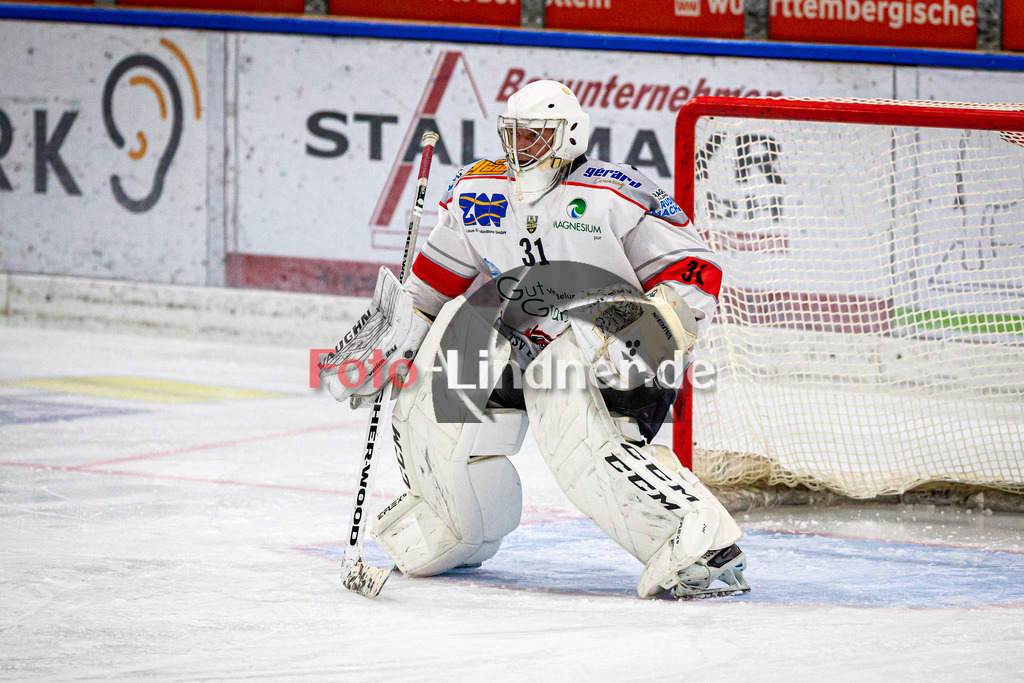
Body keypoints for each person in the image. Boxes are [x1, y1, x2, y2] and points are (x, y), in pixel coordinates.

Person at [323, 80, 748, 599]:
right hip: (518, 335)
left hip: (612, 348)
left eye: (536, 136)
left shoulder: (613, 192)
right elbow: (430, 287)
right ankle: (456, 523)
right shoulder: (480, 192)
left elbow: (695, 271)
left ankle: (699, 541)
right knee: (434, 380)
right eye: (515, 135)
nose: (520, 149)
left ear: (570, 136)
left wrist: (653, 331)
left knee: (571, 429)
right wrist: (392, 343)